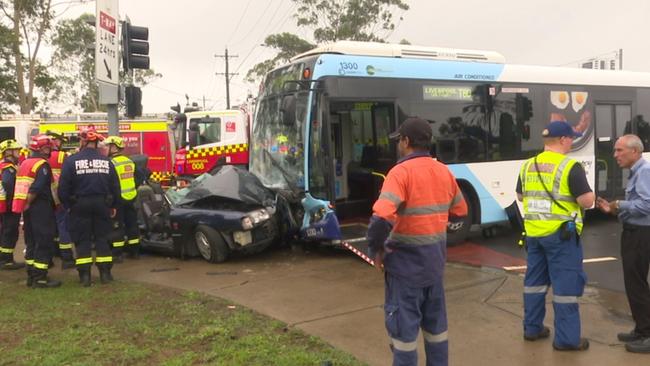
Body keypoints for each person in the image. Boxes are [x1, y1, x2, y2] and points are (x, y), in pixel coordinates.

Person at [367, 117, 468, 366]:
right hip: (434, 268)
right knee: (436, 333)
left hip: (404, 271)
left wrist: (376, 251)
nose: (398, 145)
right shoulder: (443, 171)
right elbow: (460, 212)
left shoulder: (399, 173)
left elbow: (380, 218)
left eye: (399, 140)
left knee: (404, 339)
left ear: (406, 141)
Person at [516, 121, 594, 351]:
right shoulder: (570, 166)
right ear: (562, 140)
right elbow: (586, 201)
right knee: (565, 288)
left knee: (534, 284)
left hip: (533, 234)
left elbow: (520, 196)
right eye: (571, 138)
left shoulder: (528, 165)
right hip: (562, 237)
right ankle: (567, 340)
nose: (572, 141)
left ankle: (532, 329)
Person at [596, 134, 650, 353]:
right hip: (634, 231)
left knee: (636, 284)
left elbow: (646, 205)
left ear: (635, 151)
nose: (615, 155)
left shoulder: (644, 171)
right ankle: (641, 329)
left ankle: (647, 334)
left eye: (620, 150)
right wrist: (613, 210)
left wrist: (618, 203)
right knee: (633, 282)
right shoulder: (638, 171)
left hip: (640, 234)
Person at [58, 126, 120, 286]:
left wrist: (68, 205)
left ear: (83, 141)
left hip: (79, 204)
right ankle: (105, 274)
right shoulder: (107, 162)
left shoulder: (71, 161)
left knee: (82, 239)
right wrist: (113, 205)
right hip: (102, 204)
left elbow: (63, 189)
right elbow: (115, 187)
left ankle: (85, 277)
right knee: (102, 238)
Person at [12, 135, 61, 288]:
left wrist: (25, 206)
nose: (50, 151)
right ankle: (40, 278)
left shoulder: (25, 163)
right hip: (40, 207)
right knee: (44, 241)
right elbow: (36, 188)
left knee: (31, 241)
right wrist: (30, 202)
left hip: (28, 209)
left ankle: (31, 275)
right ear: (40, 148)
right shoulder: (42, 165)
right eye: (47, 148)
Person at [103, 136, 140, 261]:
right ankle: (134, 251)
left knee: (116, 226)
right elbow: (138, 177)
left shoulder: (111, 163)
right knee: (132, 225)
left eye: (107, 146)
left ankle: (117, 254)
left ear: (114, 147)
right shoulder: (129, 161)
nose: (105, 149)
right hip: (131, 197)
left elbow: (108, 183)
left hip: (117, 199)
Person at [46, 131, 75, 269]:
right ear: (56, 141)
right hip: (59, 197)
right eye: (60, 141)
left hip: (44, 199)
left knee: (49, 227)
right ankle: (67, 257)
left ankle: (51, 254)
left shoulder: (39, 157)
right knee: (63, 227)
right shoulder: (63, 156)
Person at [0, 139, 25, 270]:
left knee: (4, 231)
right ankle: (6, 260)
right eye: (16, 150)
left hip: (3, 205)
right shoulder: (8, 168)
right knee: (10, 232)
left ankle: (3, 258)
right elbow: (9, 184)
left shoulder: (3, 165)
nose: (19, 153)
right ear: (8, 152)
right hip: (9, 205)